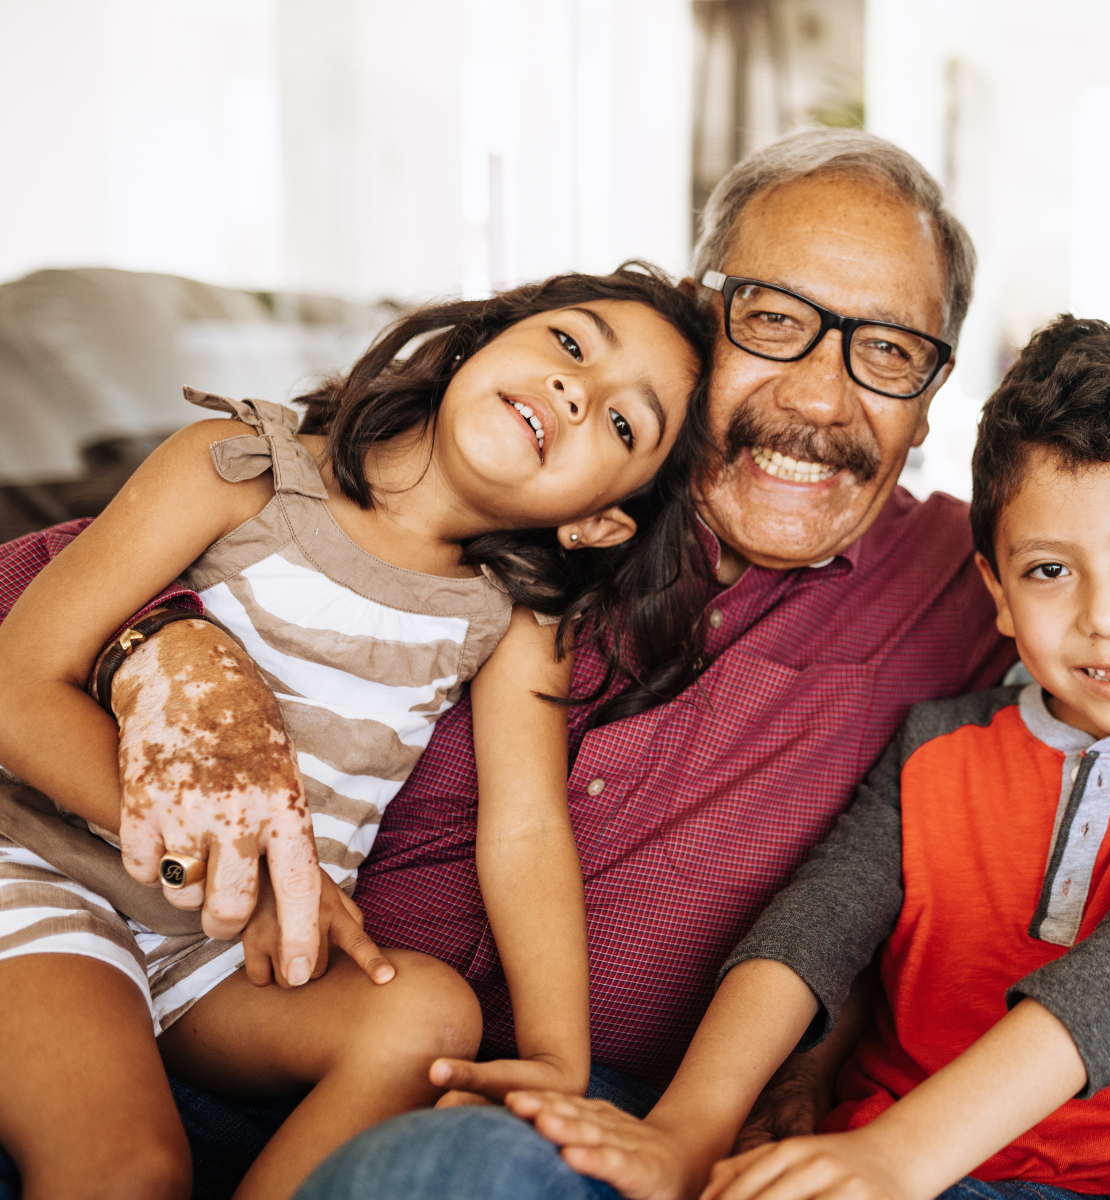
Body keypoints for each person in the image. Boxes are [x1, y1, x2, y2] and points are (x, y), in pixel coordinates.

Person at [0, 129, 1016, 1193]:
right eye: (774, 320)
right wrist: (165, 645)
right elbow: (38, 616)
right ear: (703, 320)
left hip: (342, 1036)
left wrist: (580, 1065)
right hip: (106, 927)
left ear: (933, 396)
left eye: (891, 349)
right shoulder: (408, 496)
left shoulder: (976, 582)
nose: (818, 397)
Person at [297, 317, 1110, 1200]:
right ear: (997, 596)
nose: (1106, 616)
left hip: (1067, 1185)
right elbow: (814, 926)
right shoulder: (938, 742)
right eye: (1049, 570)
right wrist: (685, 1131)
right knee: (440, 1170)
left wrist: (896, 1162)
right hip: (841, 1157)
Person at [0, 263, 711, 1199]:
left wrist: (555, 1062)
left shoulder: (511, 619)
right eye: (571, 344)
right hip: (55, 876)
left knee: (430, 1015)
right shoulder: (239, 465)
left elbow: (528, 828)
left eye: (625, 424)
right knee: (130, 1171)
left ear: (599, 524)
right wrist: (241, 864)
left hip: (231, 956)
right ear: (476, 342)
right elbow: (16, 690)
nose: (580, 391)